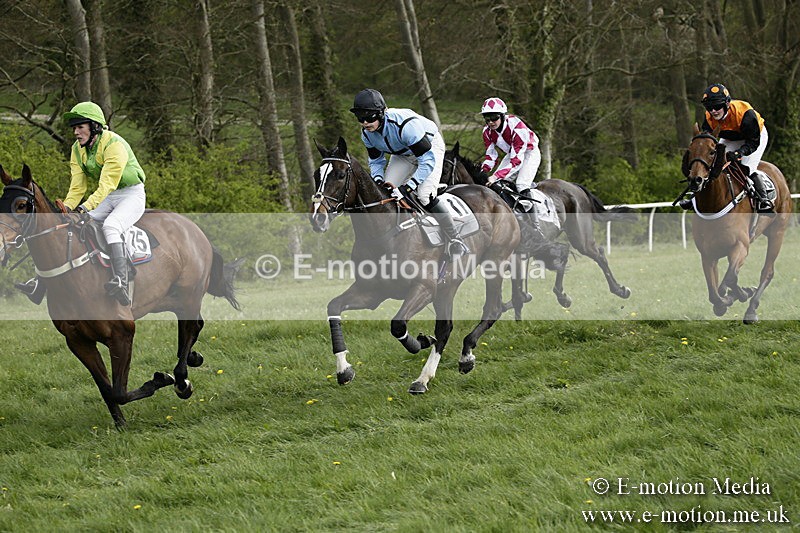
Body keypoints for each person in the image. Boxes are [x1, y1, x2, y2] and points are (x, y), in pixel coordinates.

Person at [16, 101, 147, 305]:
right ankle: (39, 283)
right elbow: (78, 186)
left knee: (112, 226)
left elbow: (107, 184)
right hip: (110, 196)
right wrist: (67, 208)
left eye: (80, 127)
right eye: (74, 128)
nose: (75, 132)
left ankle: (121, 280)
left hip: (131, 195)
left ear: (94, 126)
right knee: (75, 224)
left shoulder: (114, 145)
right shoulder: (77, 149)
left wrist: (84, 208)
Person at [349, 88, 469, 258]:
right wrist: (378, 179)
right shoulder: (367, 134)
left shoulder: (405, 125)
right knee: (385, 194)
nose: (365, 123)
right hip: (403, 155)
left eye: (369, 117)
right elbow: (376, 161)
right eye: (360, 118)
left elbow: (427, 161)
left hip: (430, 149)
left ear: (381, 113)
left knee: (424, 195)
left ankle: (455, 238)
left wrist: (408, 187)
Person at [682, 83, 773, 214]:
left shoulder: (745, 114)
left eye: (717, 107)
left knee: (747, 167)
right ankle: (694, 197)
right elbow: (707, 141)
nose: (713, 111)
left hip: (754, 137)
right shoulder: (708, 117)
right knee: (714, 165)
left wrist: (739, 153)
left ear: (727, 104)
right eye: (709, 107)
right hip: (730, 137)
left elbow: (752, 143)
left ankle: (763, 199)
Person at [479, 97, 543, 229]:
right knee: (496, 184)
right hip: (512, 153)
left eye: (494, 118)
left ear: (503, 116)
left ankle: (535, 225)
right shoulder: (486, 132)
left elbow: (516, 162)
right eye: (487, 118)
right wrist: (482, 171)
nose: (490, 122)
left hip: (529, 152)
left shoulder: (517, 127)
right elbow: (491, 157)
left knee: (521, 184)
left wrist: (495, 176)